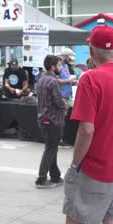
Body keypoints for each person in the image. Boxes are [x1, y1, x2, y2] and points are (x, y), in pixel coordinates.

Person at [64, 25, 113, 224]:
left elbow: (86, 129)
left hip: (95, 167)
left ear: (91, 50)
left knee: (78, 218)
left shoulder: (89, 79)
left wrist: (75, 164)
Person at [35, 55, 67, 188]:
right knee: (51, 148)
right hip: (52, 119)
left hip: (43, 118)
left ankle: (55, 176)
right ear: (53, 67)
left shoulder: (42, 79)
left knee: (52, 148)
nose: (60, 67)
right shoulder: (52, 81)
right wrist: (64, 104)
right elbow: (58, 101)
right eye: (59, 65)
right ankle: (41, 179)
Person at [58, 50, 77, 148]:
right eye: (69, 58)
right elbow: (55, 80)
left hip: (66, 95)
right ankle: (58, 140)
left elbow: (66, 78)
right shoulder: (57, 65)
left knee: (63, 118)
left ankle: (61, 139)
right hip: (61, 95)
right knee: (60, 118)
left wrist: (72, 81)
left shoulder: (66, 66)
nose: (70, 60)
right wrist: (68, 80)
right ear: (64, 56)